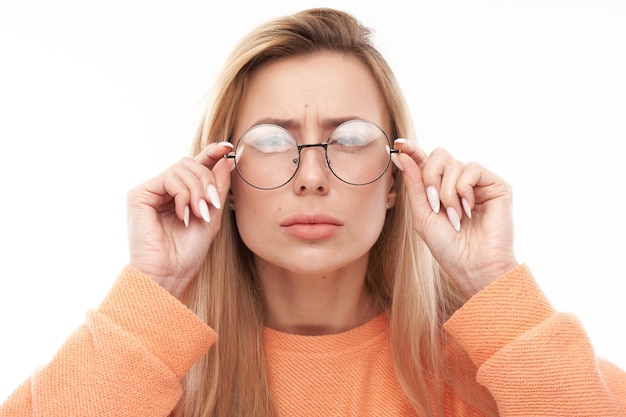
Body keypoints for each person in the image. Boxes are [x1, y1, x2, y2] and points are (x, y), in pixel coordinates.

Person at [1, 7, 624, 417]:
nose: (312, 177)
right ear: (227, 177)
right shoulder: (148, 374)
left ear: (394, 179)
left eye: (350, 137)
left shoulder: (495, 372)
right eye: (272, 142)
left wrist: (495, 286)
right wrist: (153, 290)